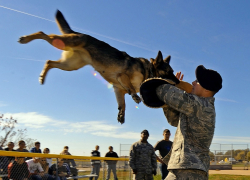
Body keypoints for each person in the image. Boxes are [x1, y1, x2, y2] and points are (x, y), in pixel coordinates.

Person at [155, 65, 223, 179]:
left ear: (206, 88)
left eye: (197, 81)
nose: (193, 82)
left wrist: (168, 82)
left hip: (188, 170)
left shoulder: (200, 105)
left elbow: (162, 91)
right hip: (185, 169)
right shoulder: (196, 106)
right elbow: (174, 120)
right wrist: (173, 91)